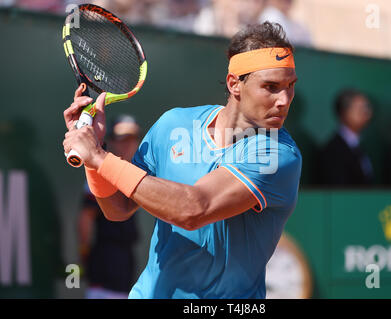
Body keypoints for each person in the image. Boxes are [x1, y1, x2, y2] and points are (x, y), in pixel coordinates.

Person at [63, 22, 302, 299]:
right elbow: (117, 208)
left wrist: (100, 157)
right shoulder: (173, 124)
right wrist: (95, 157)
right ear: (234, 84)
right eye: (271, 87)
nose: (284, 100)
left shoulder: (279, 154)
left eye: (290, 86)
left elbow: (194, 210)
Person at [78, 115, 141, 299]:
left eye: (132, 138)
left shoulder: (135, 170)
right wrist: (84, 254)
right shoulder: (101, 174)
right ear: (112, 141)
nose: (128, 144)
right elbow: (85, 219)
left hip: (126, 265)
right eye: (122, 139)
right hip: (104, 264)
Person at [317, 89, 374, 187]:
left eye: (367, 108)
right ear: (344, 112)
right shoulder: (333, 150)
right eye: (360, 109)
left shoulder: (360, 146)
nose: (367, 114)